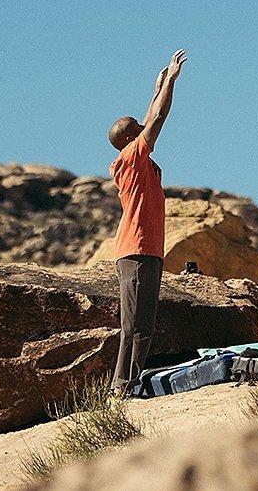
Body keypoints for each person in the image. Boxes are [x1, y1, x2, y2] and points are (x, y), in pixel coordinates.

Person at [107, 49, 187, 397]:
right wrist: (170, 83)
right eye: (136, 130)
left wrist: (154, 89)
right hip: (137, 250)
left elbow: (147, 118)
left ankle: (129, 384)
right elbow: (156, 119)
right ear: (128, 140)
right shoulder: (131, 157)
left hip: (148, 250)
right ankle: (123, 388)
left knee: (144, 324)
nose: (143, 130)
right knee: (135, 325)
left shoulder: (134, 157)